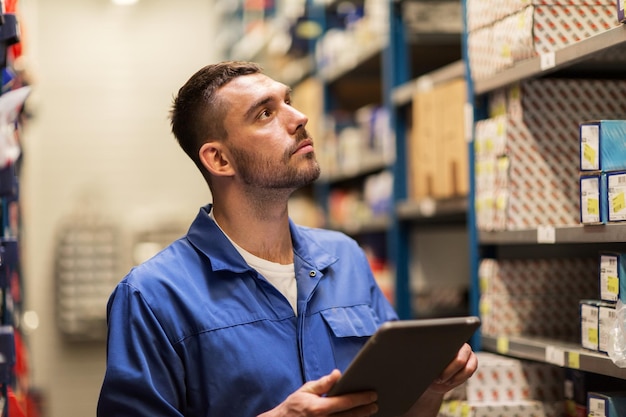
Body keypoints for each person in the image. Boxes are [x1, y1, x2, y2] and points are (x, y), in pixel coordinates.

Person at [97, 61, 477, 417]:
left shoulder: (344, 257)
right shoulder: (152, 297)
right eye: (265, 113)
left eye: (288, 102)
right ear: (219, 160)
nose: (299, 118)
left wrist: (431, 387)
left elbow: (394, 407)